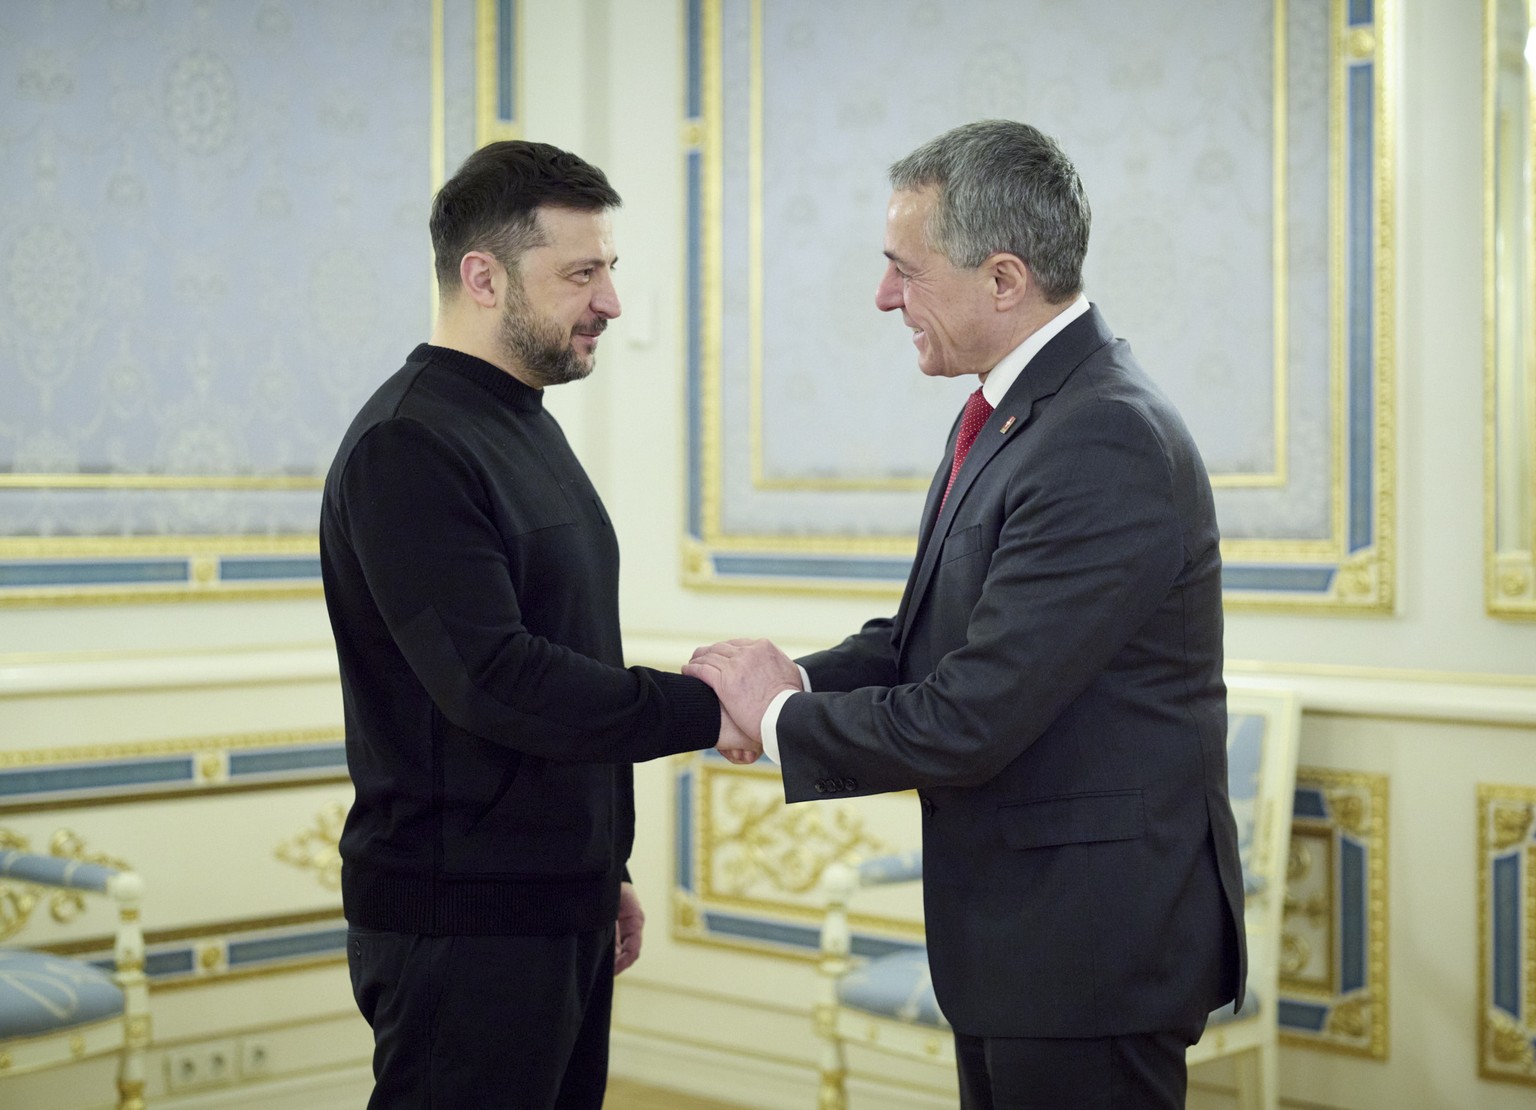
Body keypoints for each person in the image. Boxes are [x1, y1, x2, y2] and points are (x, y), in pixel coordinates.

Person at [691, 120, 1245, 1109]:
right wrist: (791, 682)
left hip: (1089, 956)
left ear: (1002, 279)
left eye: (905, 269)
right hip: (1022, 943)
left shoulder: (1103, 437)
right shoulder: (1011, 412)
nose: (884, 297)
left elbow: (971, 717)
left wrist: (777, 719)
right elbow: (922, 647)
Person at [320, 140, 738, 1109]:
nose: (611, 302)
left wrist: (602, 868)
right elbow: (496, 681)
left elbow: (567, 651)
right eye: (581, 274)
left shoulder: (524, 421)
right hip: (462, 923)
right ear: (482, 276)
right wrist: (709, 709)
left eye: (610, 271)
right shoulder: (408, 444)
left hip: (554, 903)